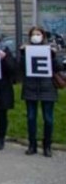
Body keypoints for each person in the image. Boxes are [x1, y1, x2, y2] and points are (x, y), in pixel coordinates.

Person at [21, 26, 61, 157]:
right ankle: (32, 145)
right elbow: (20, 68)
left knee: (48, 119)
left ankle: (47, 145)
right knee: (31, 118)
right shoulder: (26, 49)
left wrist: (53, 55)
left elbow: (58, 67)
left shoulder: (49, 49)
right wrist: (22, 54)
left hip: (47, 87)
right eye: (33, 34)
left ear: (43, 36)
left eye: (38, 34)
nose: (35, 36)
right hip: (30, 87)